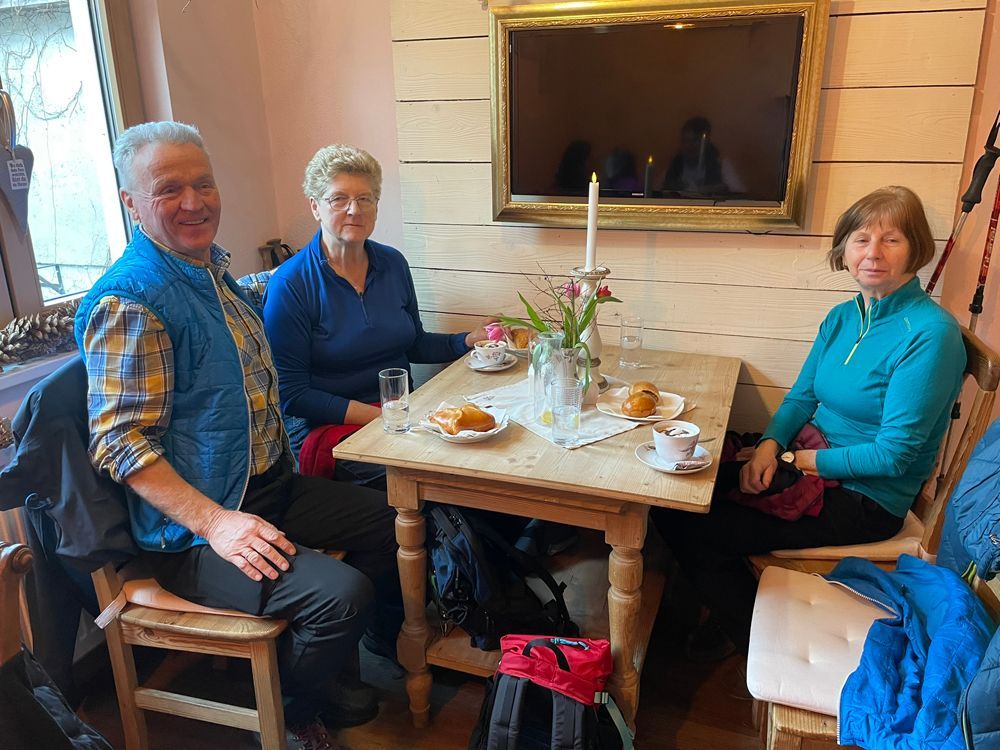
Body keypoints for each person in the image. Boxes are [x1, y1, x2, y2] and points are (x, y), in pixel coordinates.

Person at [74, 121, 399, 749]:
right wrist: (217, 524)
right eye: (169, 189)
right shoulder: (131, 303)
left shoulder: (211, 274)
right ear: (131, 203)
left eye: (203, 184)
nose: (193, 202)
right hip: (191, 533)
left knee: (393, 519)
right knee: (341, 595)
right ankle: (289, 708)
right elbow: (119, 440)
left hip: (264, 487)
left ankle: (328, 660)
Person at [652, 186, 965, 660]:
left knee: (694, 526)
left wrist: (793, 460)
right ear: (845, 249)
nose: (873, 253)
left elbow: (893, 456)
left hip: (866, 496)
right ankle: (726, 602)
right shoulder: (844, 316)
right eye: (861, 239)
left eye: (891, 239)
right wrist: (768, 446)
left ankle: (758, 643)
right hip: (811, 454)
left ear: (915, 248)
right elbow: (802, 397)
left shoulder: (930, 335)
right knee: (680, 484)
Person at [262, 144, 494, 487]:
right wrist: (382, 416)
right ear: (315, 207)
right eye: (339, 199)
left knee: (482, 452)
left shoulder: (393, 263)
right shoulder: (290, 284)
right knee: (448, 477)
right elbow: (293, 395)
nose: (354, 210)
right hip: (334, 433)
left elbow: (414, 344)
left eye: (365, 199)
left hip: (400, 416)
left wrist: (468, 340)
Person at [662, 116, 745, 196]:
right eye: (686, 140)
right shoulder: (676, 164)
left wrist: (717, 189)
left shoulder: (720, 163)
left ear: (706, 142)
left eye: (694, 140)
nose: (689, 145)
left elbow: (739, 193)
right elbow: (661, 190)